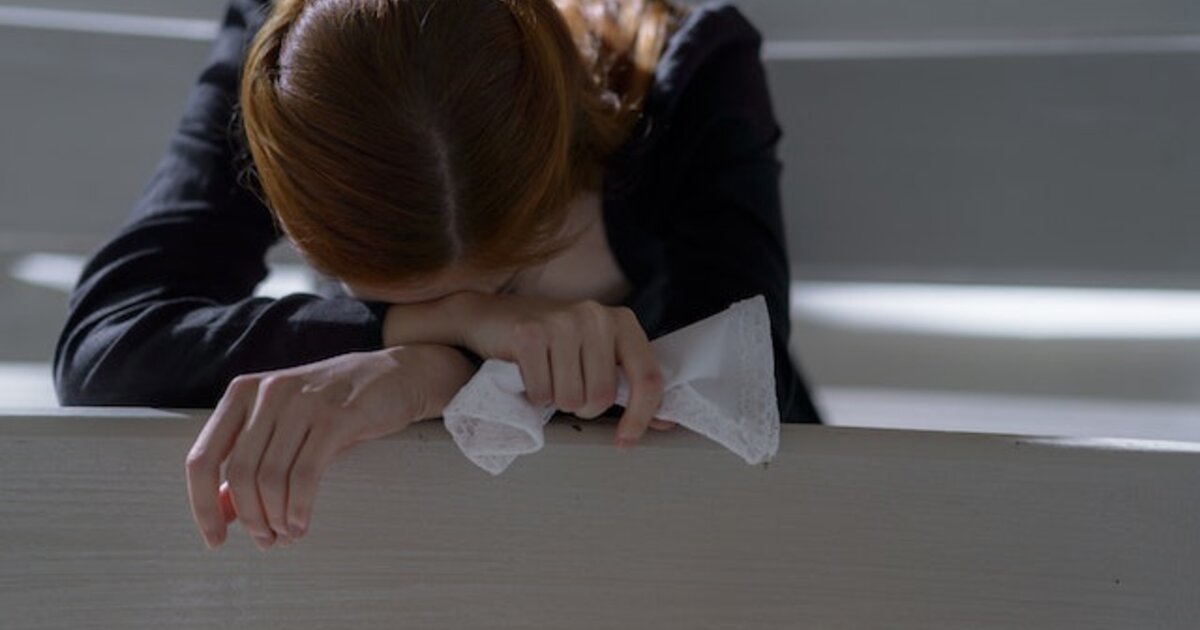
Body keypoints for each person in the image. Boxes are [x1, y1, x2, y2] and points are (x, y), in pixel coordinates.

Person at [53, 0, 824, 550]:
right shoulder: (292, 66)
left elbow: (748, 390)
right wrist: (433, 340)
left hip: (657, 539)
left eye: (510, 287)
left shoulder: (690, 74)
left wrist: (434, 371)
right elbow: (106, 343)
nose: (481, 315)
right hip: (388, 532)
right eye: (379, 296)